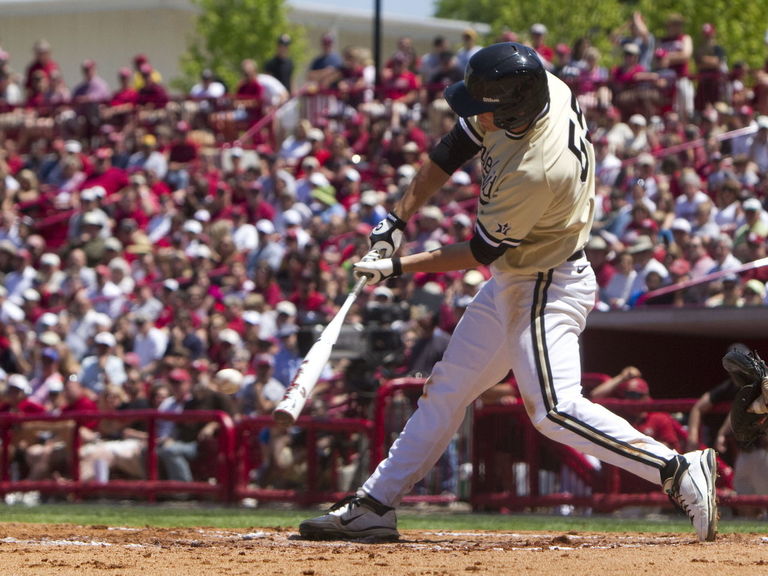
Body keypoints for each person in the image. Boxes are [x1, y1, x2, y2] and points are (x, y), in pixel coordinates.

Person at [299, 42, 717, 542]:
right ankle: (375, 504)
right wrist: (397, 218)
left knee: (554, 409)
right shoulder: (544, 89)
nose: (479, 116)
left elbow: (480, 251)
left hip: (546, 281)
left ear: (514, 107)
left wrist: (395, 267)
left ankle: (676, 468)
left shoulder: (537, 169)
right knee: (447, 389)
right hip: (519, 276)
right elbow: (453, 146)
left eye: (486, 108)